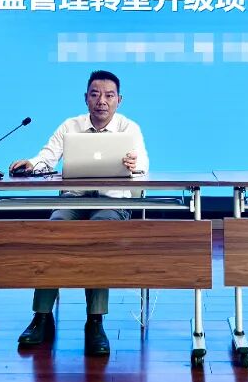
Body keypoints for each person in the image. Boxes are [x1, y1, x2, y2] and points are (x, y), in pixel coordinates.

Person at [9, 69, 148, 356]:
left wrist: (135, 165)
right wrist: (32, 164)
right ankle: (41, 317)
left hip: (112, 204)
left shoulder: (129, 128)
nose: (102, 101)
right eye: (95, 94)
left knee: (99, 236)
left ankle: (95, 321)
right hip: (73, 201)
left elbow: (144, 165)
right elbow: (46, 157)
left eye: (109, 95)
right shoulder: (70, 126)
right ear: (86, 98)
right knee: (54, 230)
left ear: (119, 100)